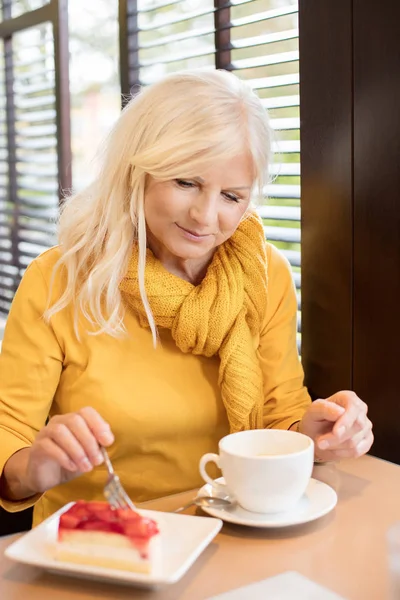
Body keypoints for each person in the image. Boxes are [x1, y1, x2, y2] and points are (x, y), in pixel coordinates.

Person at [0, 70, 373, 527]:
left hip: (228, 530)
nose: (205, 216)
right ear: (138, 169)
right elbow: (9, 434)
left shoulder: (264, 273)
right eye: (186, 182)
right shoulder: (59, 279)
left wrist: (313, 436)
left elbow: (281, 413)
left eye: (232, 196)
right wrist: (34, 467)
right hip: (98, 542)